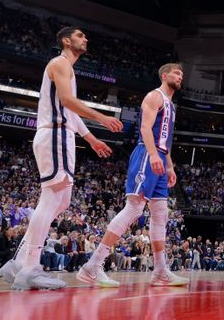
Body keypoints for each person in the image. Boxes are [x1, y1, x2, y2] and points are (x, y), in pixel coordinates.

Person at [2, 27, 121, 290]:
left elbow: (70, 111)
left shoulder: (67, 68)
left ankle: (20, 261)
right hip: (55, 135)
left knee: (62, 200)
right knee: (52, 198)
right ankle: (29, 267)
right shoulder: (60, 63)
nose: (85, 39)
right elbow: (68, 101)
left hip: (61, 135)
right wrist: (102, 118)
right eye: (80, 36)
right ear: (66, 41)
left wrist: (90, 138)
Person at [77, 63, 188, 288]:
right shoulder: (154, 96)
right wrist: (154, 155)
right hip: (147, 154)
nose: (180, 76)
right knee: (135, 208)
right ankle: (93, 265)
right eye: (176, 73)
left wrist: (169, 165)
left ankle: (160, 270)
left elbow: (165, 140)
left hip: (159, 155)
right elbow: (146, 129)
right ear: (165, 75)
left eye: (182, 74)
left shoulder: (172, 106)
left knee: (161, 214)